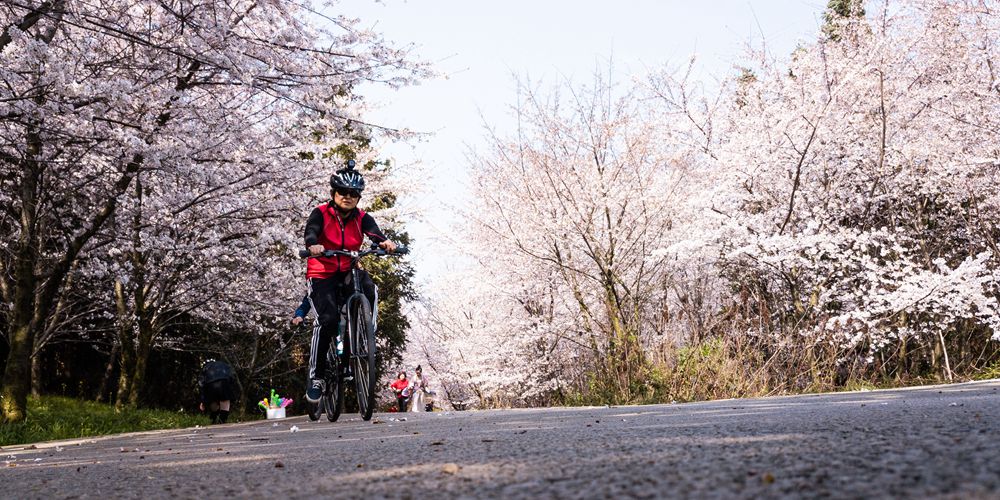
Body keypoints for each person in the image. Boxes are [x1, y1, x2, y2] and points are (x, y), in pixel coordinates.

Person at [303, 159, 398, 403]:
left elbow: (375, 233)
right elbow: (311, 231)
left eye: (353, 193)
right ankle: (317, 376)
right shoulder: (321, 213)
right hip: (322, 273)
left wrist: (384, 242)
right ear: (333, 193)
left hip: (347, 268)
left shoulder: (361, 217)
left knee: (369, 288)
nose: (348, 197)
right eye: (343, 192)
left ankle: (367, 330)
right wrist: (313, 245)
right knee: (328, 320)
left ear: (358, 197)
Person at [198, 359, 238, 424]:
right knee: (225, 400)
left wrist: (202, 401)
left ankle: (213, 419)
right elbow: (232, 377)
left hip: (210, 384)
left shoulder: (205, 368)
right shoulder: (224, 364)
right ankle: (222, 421)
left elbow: (202, 384)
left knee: (213, 401)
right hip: (224, 381)